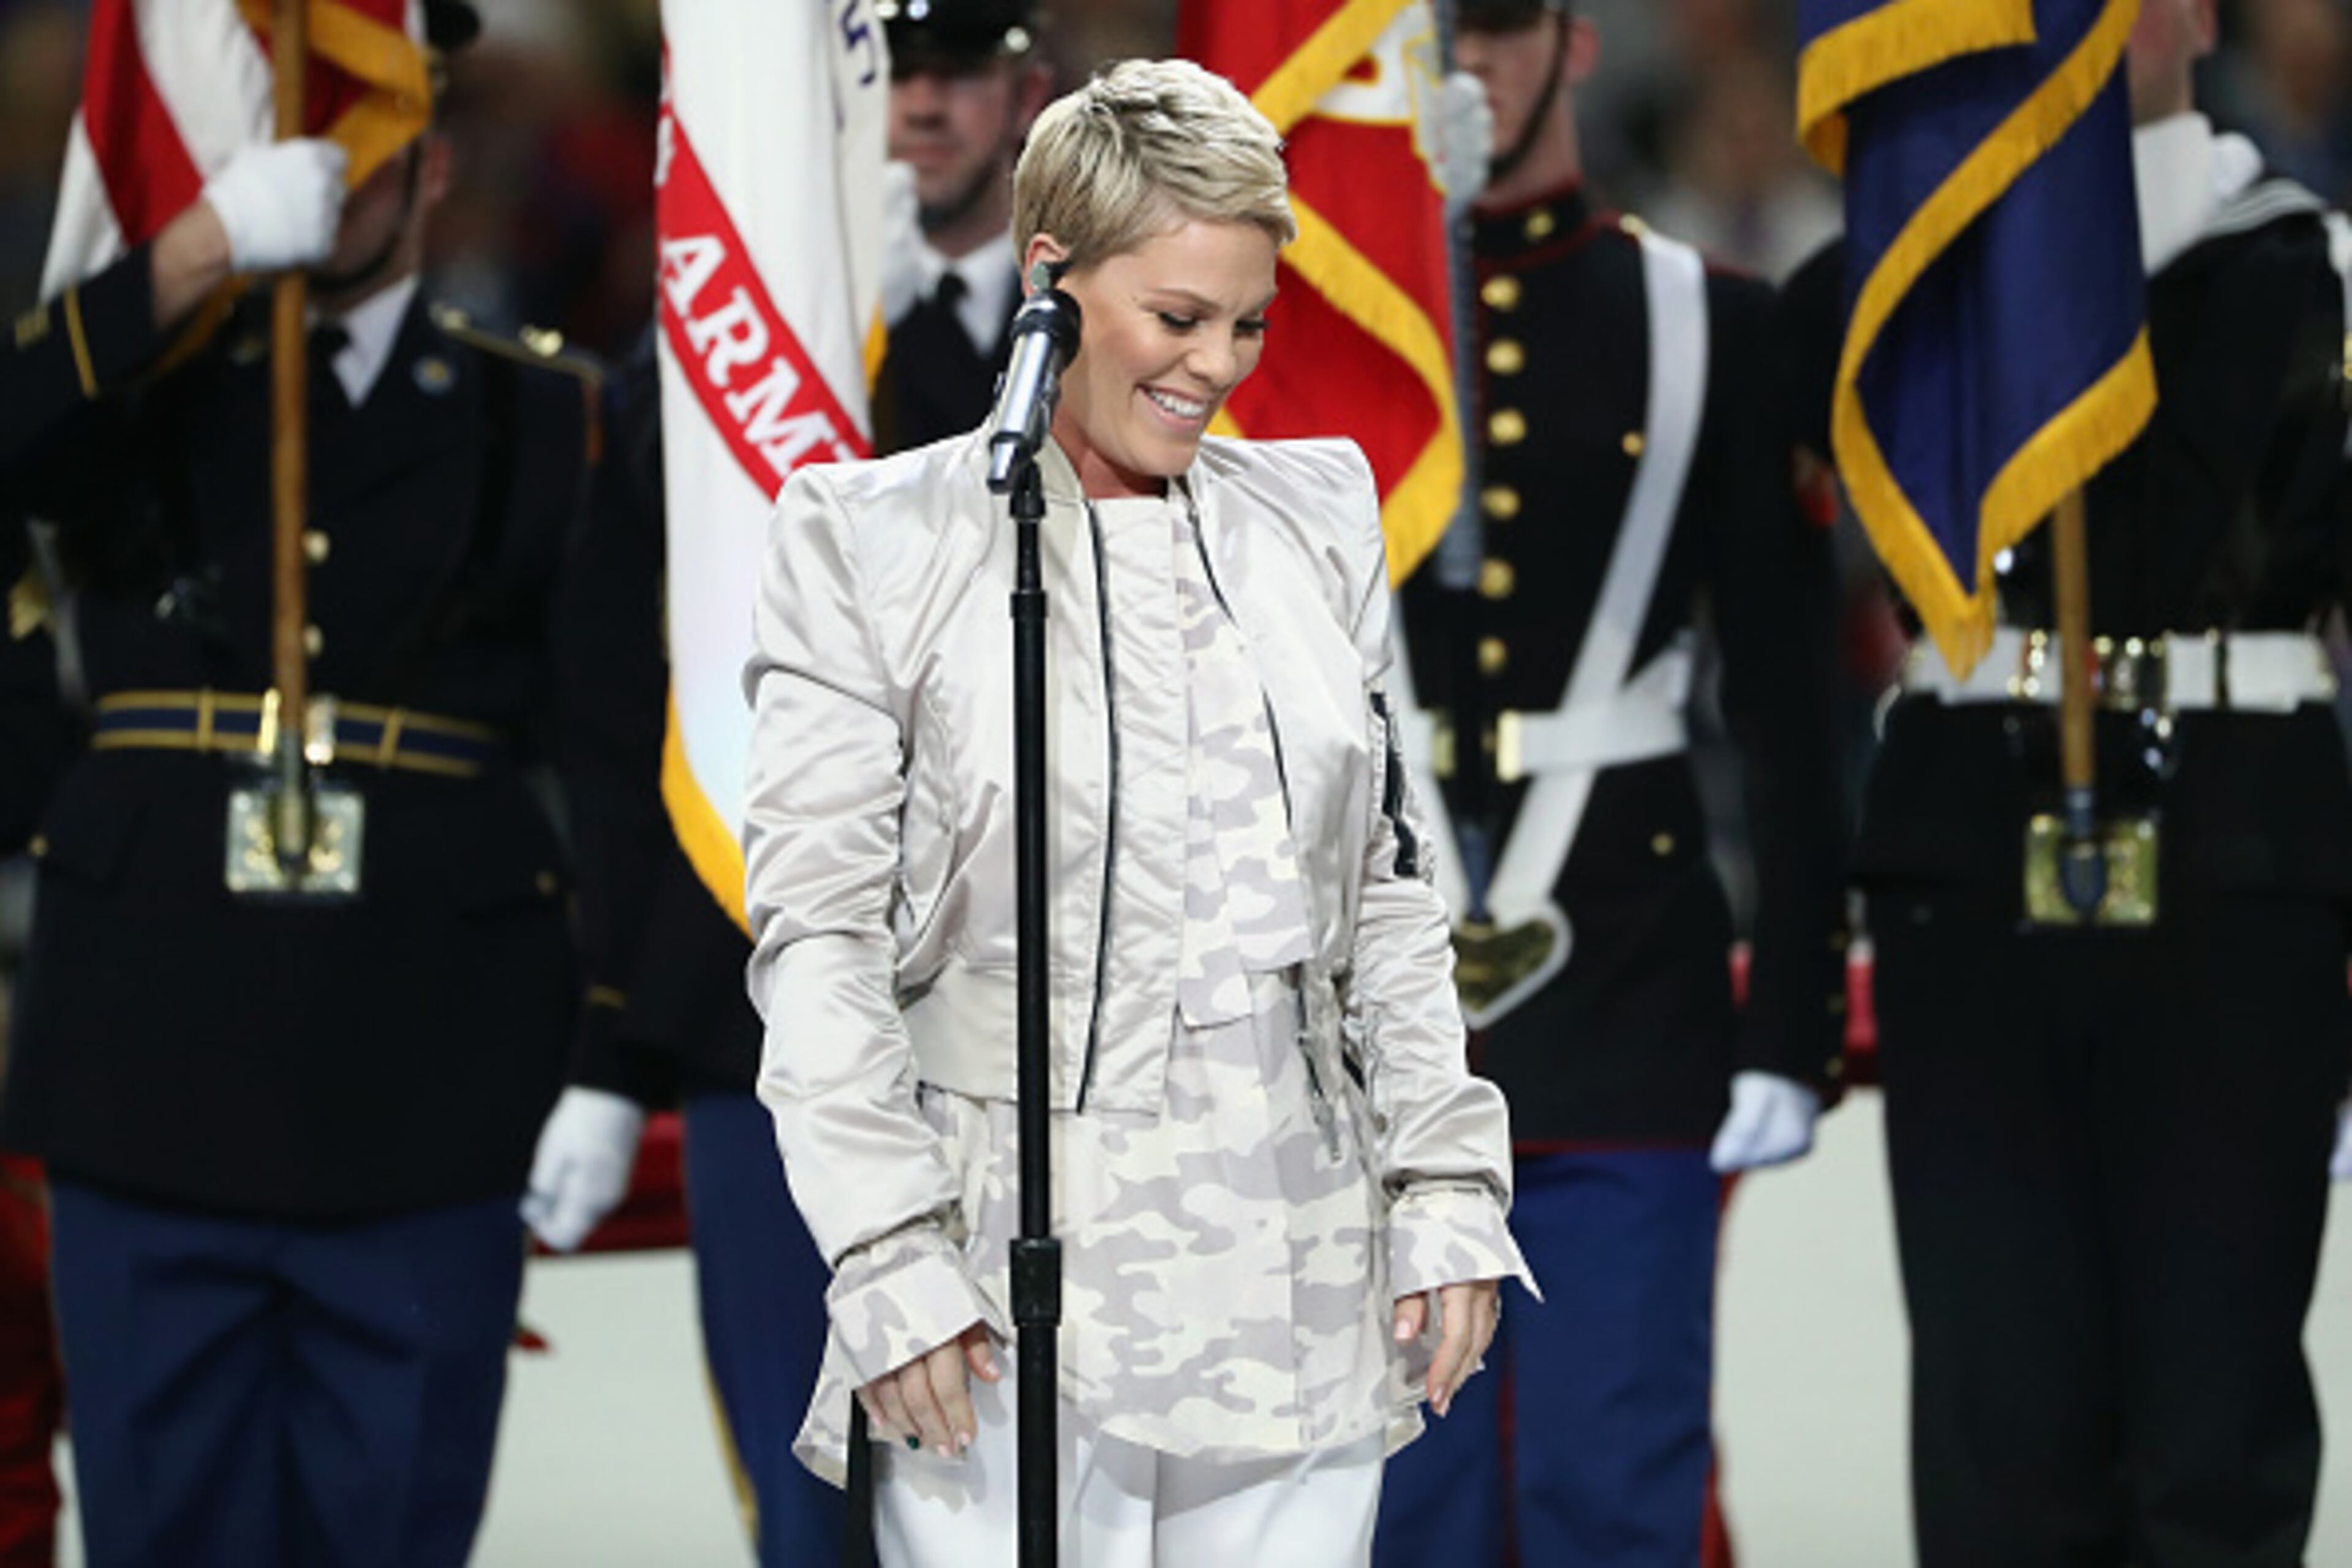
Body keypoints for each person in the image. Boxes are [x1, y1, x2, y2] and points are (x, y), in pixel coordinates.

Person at [742, 59, 1531, 1564]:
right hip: (997, 1283)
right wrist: (884, 1242)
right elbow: (818, 938)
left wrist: (1442, 1180)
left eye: (1246, 323)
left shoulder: (1309, 520)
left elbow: (1382, 899)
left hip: (1301, 1266)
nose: (1215, 365)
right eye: (1176, 318)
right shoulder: (875, 541)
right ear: (1051, 276)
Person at [0, 5, 662, 1562]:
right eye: (306, 128)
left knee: (395, 1521)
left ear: (431, 168)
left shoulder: (545, 411)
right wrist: (192, 257)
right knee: (162, 1526)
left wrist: (613, 1049)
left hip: (425, 1074)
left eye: (368, 132)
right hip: (151, 1053)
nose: (335, 166)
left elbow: (614, 749)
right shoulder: (135, 381)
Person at [1785, 1, 2352, 1562]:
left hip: (2239, 856)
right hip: (1971, 849)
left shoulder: (2318, 270)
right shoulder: (1897, 282)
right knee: (1996, 1410)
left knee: (2214, 1411)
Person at [1372, 2, 1850, 1565]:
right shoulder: (1315, 333)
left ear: (1578, 42)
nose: (1467, 63)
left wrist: (1784, 1017)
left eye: (1500, 25)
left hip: (1628, 975)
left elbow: (1789, 704)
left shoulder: (1707, 317)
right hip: (1369, 996)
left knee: (1613, 1493)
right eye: (1428, 31)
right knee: (1402, 1505)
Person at [872, 0, 1054, 453]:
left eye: (958, 71)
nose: (923, 108)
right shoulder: (797, 299)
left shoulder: (1093, 291)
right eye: (895, 72)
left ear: (1028, 95)